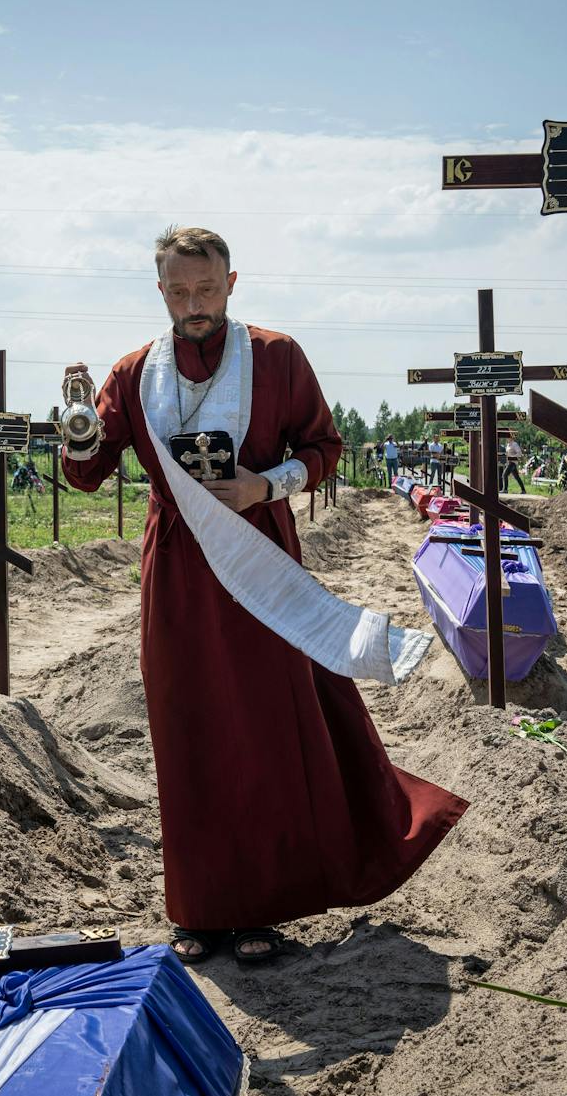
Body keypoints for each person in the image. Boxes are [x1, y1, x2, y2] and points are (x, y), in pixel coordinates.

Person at [59, 226, 466, 966]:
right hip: (179, 575)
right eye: (179, 291)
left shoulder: (277, 356)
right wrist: (77, 426)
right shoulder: (131, 373)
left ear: (232, 282)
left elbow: (324, 449)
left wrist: (262, 485)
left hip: (261, 560)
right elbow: (86, 474)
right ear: (160, 291)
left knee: (264, 730)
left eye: (207, 289)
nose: (194, 305)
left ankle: (262, 909)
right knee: (188, 733)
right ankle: (199, 910)